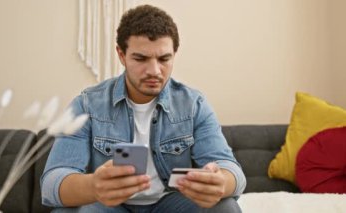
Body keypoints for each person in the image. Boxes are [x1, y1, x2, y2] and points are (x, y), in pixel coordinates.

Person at [41, 4, 246, 213]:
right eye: (140, 59)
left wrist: (220, 182)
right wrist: (93, 186)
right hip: (110, 207)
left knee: (226, 207)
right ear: (121, 55)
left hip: (172, 204)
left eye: (164, 59)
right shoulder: (87, 105)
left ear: (174, 54)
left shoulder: (193, 104)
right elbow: (51, 184)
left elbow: (233, 172)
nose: (154, 71)